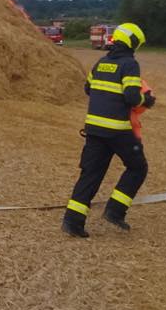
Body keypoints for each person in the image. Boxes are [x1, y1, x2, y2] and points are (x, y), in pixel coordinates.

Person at [62, 22, 155, 238]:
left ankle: (73, 221)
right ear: (132, 43)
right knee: (137, 168)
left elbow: (88, 88)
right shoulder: (129, 65)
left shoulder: (101, 63)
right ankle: (115, 211)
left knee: (91, 174)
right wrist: (147, 100)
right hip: (118, 130)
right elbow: (132, 97)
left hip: (94, 129)